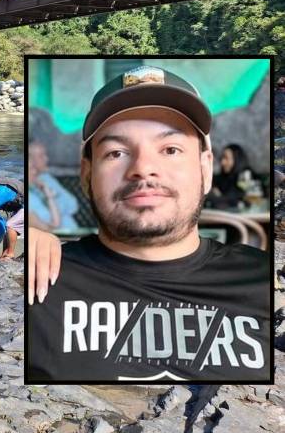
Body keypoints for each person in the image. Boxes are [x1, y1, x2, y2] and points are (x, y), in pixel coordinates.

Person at [28, 65, 269, 382]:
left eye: (170, 149)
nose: (143, 169)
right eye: (116, 152)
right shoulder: (38, 280)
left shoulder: (265, 281)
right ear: (87, 175)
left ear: (206, 169)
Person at [29, 140, 79, 229]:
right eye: (41, 156)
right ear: (30, 159)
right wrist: (52, 199)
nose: (46, 159)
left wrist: (50, 199)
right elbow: (50, 222)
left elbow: (73, 205)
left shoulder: (47, 178)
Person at [205, 143, 253, 209]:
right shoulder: (221, 178)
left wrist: (220, 197)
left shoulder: (245, 175)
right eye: (222, 158)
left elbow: (240, 198)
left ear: (237, 159)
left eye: (226, 158)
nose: (222, 162)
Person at [28, 159, 61, 231]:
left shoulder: (35, 193)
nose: (34, 172)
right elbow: (51, 227)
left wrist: (49, 196)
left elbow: (56, 224)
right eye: (30, 169)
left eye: (34, 168)